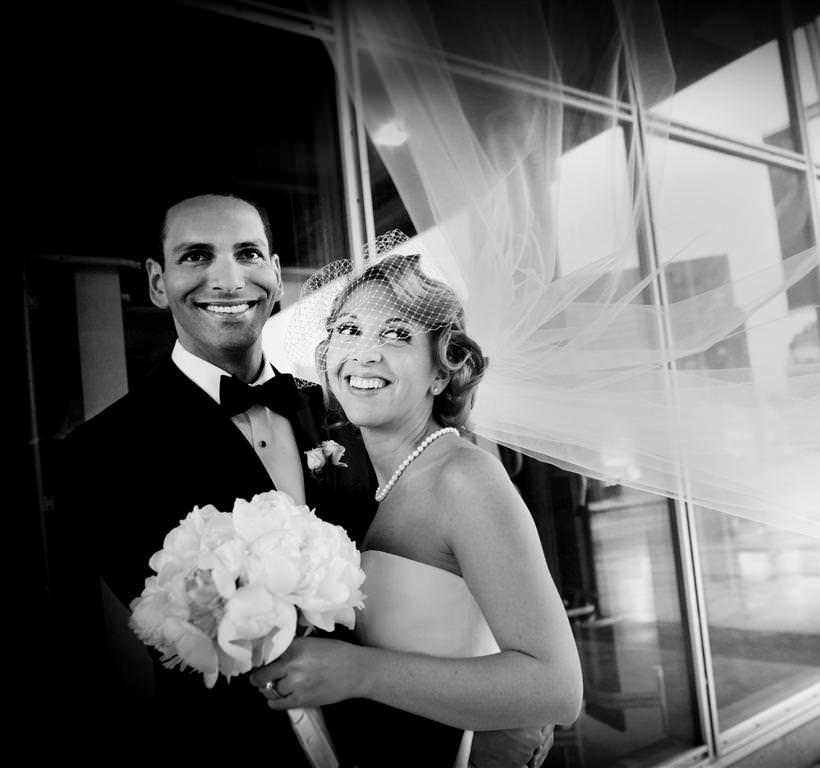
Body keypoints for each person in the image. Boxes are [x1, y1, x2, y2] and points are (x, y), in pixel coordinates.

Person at [48, 194, 553, 767]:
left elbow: (444, 564)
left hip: (412, 744)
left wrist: (501, 709)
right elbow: (153, 647)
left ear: (274, 272)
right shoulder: (99, 456)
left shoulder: (349, 408)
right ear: (158, 283)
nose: (228, 278)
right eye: (196, 256)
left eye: (247, 253)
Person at [249, 247, 583, 767]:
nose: (363, 353)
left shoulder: (463, 477)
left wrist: (359, 672)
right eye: (350, 329)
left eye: (397, 335)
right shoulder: (365, 477)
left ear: (440, 372)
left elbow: (557, 689)